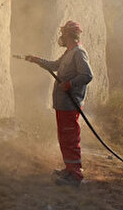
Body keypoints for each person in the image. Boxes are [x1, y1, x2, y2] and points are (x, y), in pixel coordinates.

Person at [25, 20, 93, 187]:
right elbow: (55, 66)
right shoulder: (69, 52)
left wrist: (69, 84)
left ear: (69, 35)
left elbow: (87, 75)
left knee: (70, 138)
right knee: (64, 138)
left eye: (63, 33)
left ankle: (76, 175)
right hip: (63, 104)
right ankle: (69, 169)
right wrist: (37, 60)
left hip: (71, 104)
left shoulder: (78, 53)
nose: (61, 36)